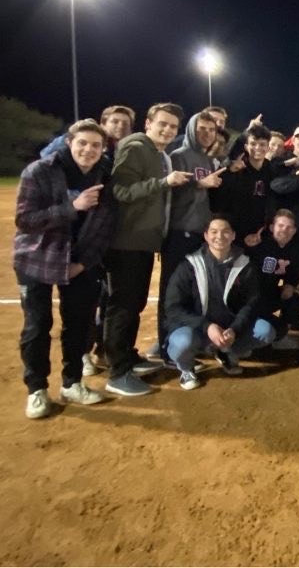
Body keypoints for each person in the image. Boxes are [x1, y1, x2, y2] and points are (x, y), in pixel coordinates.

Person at [14, 119, 115, 418]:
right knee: (37, 325)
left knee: (78, 324)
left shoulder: (106, 176)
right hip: (36, 259)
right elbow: (25, 220)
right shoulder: (40, 171)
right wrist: (74, 207)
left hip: (80, 262)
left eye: (96, 145)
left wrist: (82, 263)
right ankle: (36, 390)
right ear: (69, 142)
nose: (89, 149)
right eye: (82, 143)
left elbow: (105, 227)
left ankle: (72, 383)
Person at [103, 103, 192, 397]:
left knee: (134, 303)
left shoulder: (156, 152)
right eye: (162, 124)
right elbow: (121, 191)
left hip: (142, 242)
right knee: (123, 307)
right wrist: (164, 182)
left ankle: (126, 356)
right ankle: (117, 372)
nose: (167, 130)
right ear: (148, 122)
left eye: (173, 127)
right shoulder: (136, 145)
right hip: (126, 242)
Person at [163, 216, 275, 390]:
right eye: (214, 232)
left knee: (265, 331)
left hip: (228, 330)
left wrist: (235, 329)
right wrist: (206, 326)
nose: (220, 236)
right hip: (196, 331)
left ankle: (225, 351)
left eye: (225, 232)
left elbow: (251, 303)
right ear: (206, 236)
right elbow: (172, 308)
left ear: (233, 236)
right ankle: (186, 368)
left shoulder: (244, 265)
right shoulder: (189, 265)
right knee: (182, 342)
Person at [157, 111, 226, 359]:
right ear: (190, 130)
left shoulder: (208, 160)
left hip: (199, 235)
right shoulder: (178, 156)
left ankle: (192, 342)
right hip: (179, 233)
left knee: (196, 291)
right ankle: (166, 347)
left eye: (210, 129)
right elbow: (168, 195)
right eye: (201, 128)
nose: (206, 133)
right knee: (171, 291)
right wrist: (199, 184)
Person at [247, 209, 299, 354]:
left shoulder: (296, 250)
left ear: (294, 231)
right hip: (256, 295)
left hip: (277, 291)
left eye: (289, 227)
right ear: (272, 227)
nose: (285, 230)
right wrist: (248, 245)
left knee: (295, 299)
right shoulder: (259, 246)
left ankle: (280, 336)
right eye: (281, 226)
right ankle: (255, 340)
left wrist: (290, 285)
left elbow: (294, 273)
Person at [214, 124, 276, 249]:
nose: (257, 148)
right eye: (253, 144)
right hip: (234, 236)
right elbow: (219, 201)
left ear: (268, 147)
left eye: (262, 144)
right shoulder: (234, 170)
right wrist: (229, 173)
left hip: (261, 235)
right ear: (246, 147)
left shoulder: (273, 171)